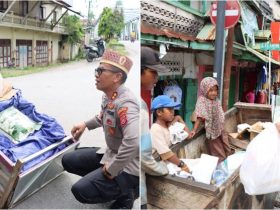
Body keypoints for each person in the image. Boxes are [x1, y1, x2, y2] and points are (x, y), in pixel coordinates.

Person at [62, 49, 139, 209]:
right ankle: (109, 183)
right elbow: (103, 116)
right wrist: (85, 124)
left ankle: (127, 193)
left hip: (128, 164)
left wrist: (113, 169)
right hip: (111, 153)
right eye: (97, 70)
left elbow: (133, 142)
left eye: (100, 70)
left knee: (80, 190)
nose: (96, 74)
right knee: (68, 160)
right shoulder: (110, 95)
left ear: (117, 77)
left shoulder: (126, 104)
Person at [140, 47, 169, 209]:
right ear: (142, 71)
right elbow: (143, 156)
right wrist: (163, 169)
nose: (157, 79)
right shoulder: (140, 106)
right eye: (154, 73)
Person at [189, 77, 233, 162]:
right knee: (218, 152)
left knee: (226, 146)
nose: (214, 93)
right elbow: (199, 116)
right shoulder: (202, 100)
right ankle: (221, 166)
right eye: (211, 90)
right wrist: (194, 130)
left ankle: (228, 160)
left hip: (221, 128)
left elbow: (220, 114)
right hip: (212, 131)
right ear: (205, 90)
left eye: (215, 90)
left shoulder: (216, 100)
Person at [150, 95, 191, 173]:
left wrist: (179, 118)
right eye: (169, 109)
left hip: (170, 164)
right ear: (159, 112)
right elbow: (166, 154)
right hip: (160, 167)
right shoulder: (155, 128)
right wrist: (182, 165)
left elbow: (188, 136)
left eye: (173, 109)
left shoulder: (170, 126)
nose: (173, 112)